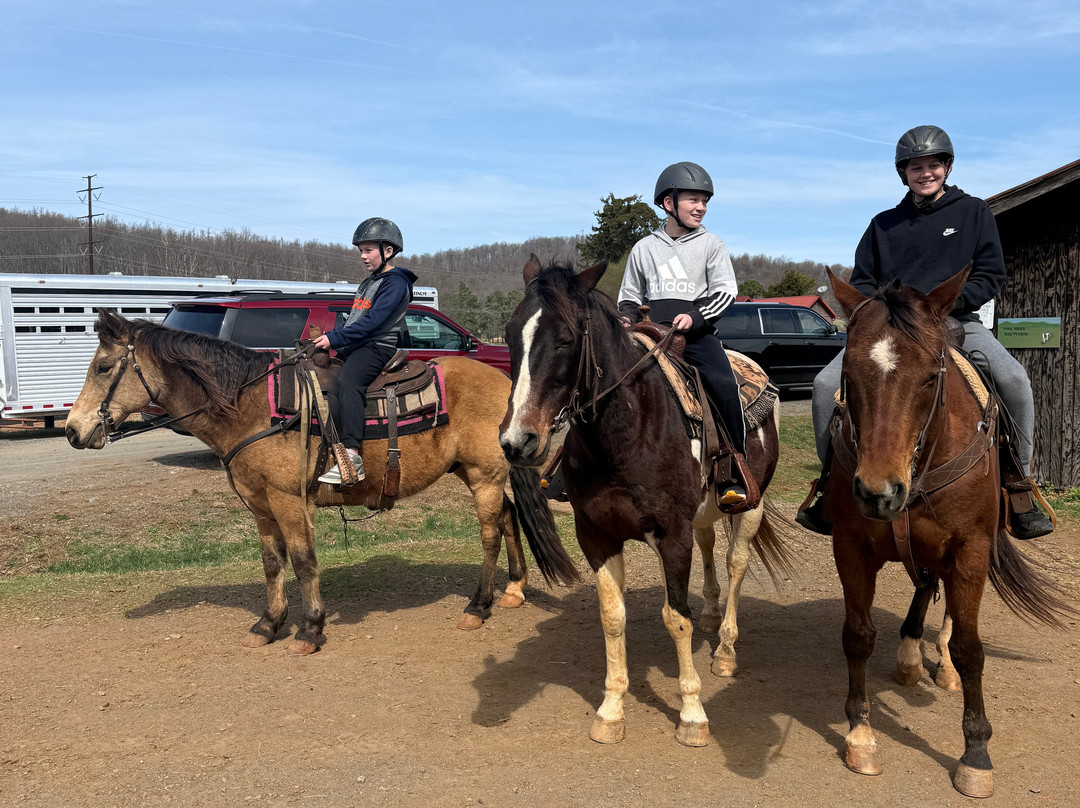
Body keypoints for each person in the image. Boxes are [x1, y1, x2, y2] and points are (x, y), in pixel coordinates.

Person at [797, 125, 1054, 539]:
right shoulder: (883, 224)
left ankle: (1019, 486)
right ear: (904, 173)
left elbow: (990, 273)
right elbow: (863, 282)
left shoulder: (974, 213)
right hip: (893, 329)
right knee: (826, 384)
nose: (925, 173)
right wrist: (878, 317)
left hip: (957, 319)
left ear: (946, 167)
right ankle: (831, 487)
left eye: (933, 165)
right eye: (916, 167)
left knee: (1014, 380)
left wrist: (944, 307)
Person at [617, 161, 747, 506]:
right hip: (648, 336)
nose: (701, 207)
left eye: (704, 201)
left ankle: (733, 470)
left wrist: (695, 317)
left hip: (695, 338)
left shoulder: (711, 244)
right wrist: (626, 318)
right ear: (668, 203)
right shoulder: (644, 247)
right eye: (692, 200)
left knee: (724, 384)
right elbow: (629, 295)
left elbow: (724, 292)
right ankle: (571, 467)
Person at [315, 218, 417, 485]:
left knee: (350, 383)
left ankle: (352, 457)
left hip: (377, 346)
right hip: (358, 345)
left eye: (368, 250)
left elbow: (373, 323)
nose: (362, 256)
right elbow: (355, 319)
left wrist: (334, 339)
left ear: (388, 251)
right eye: (360, 250)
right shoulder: (370, 281)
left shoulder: (395, 283)